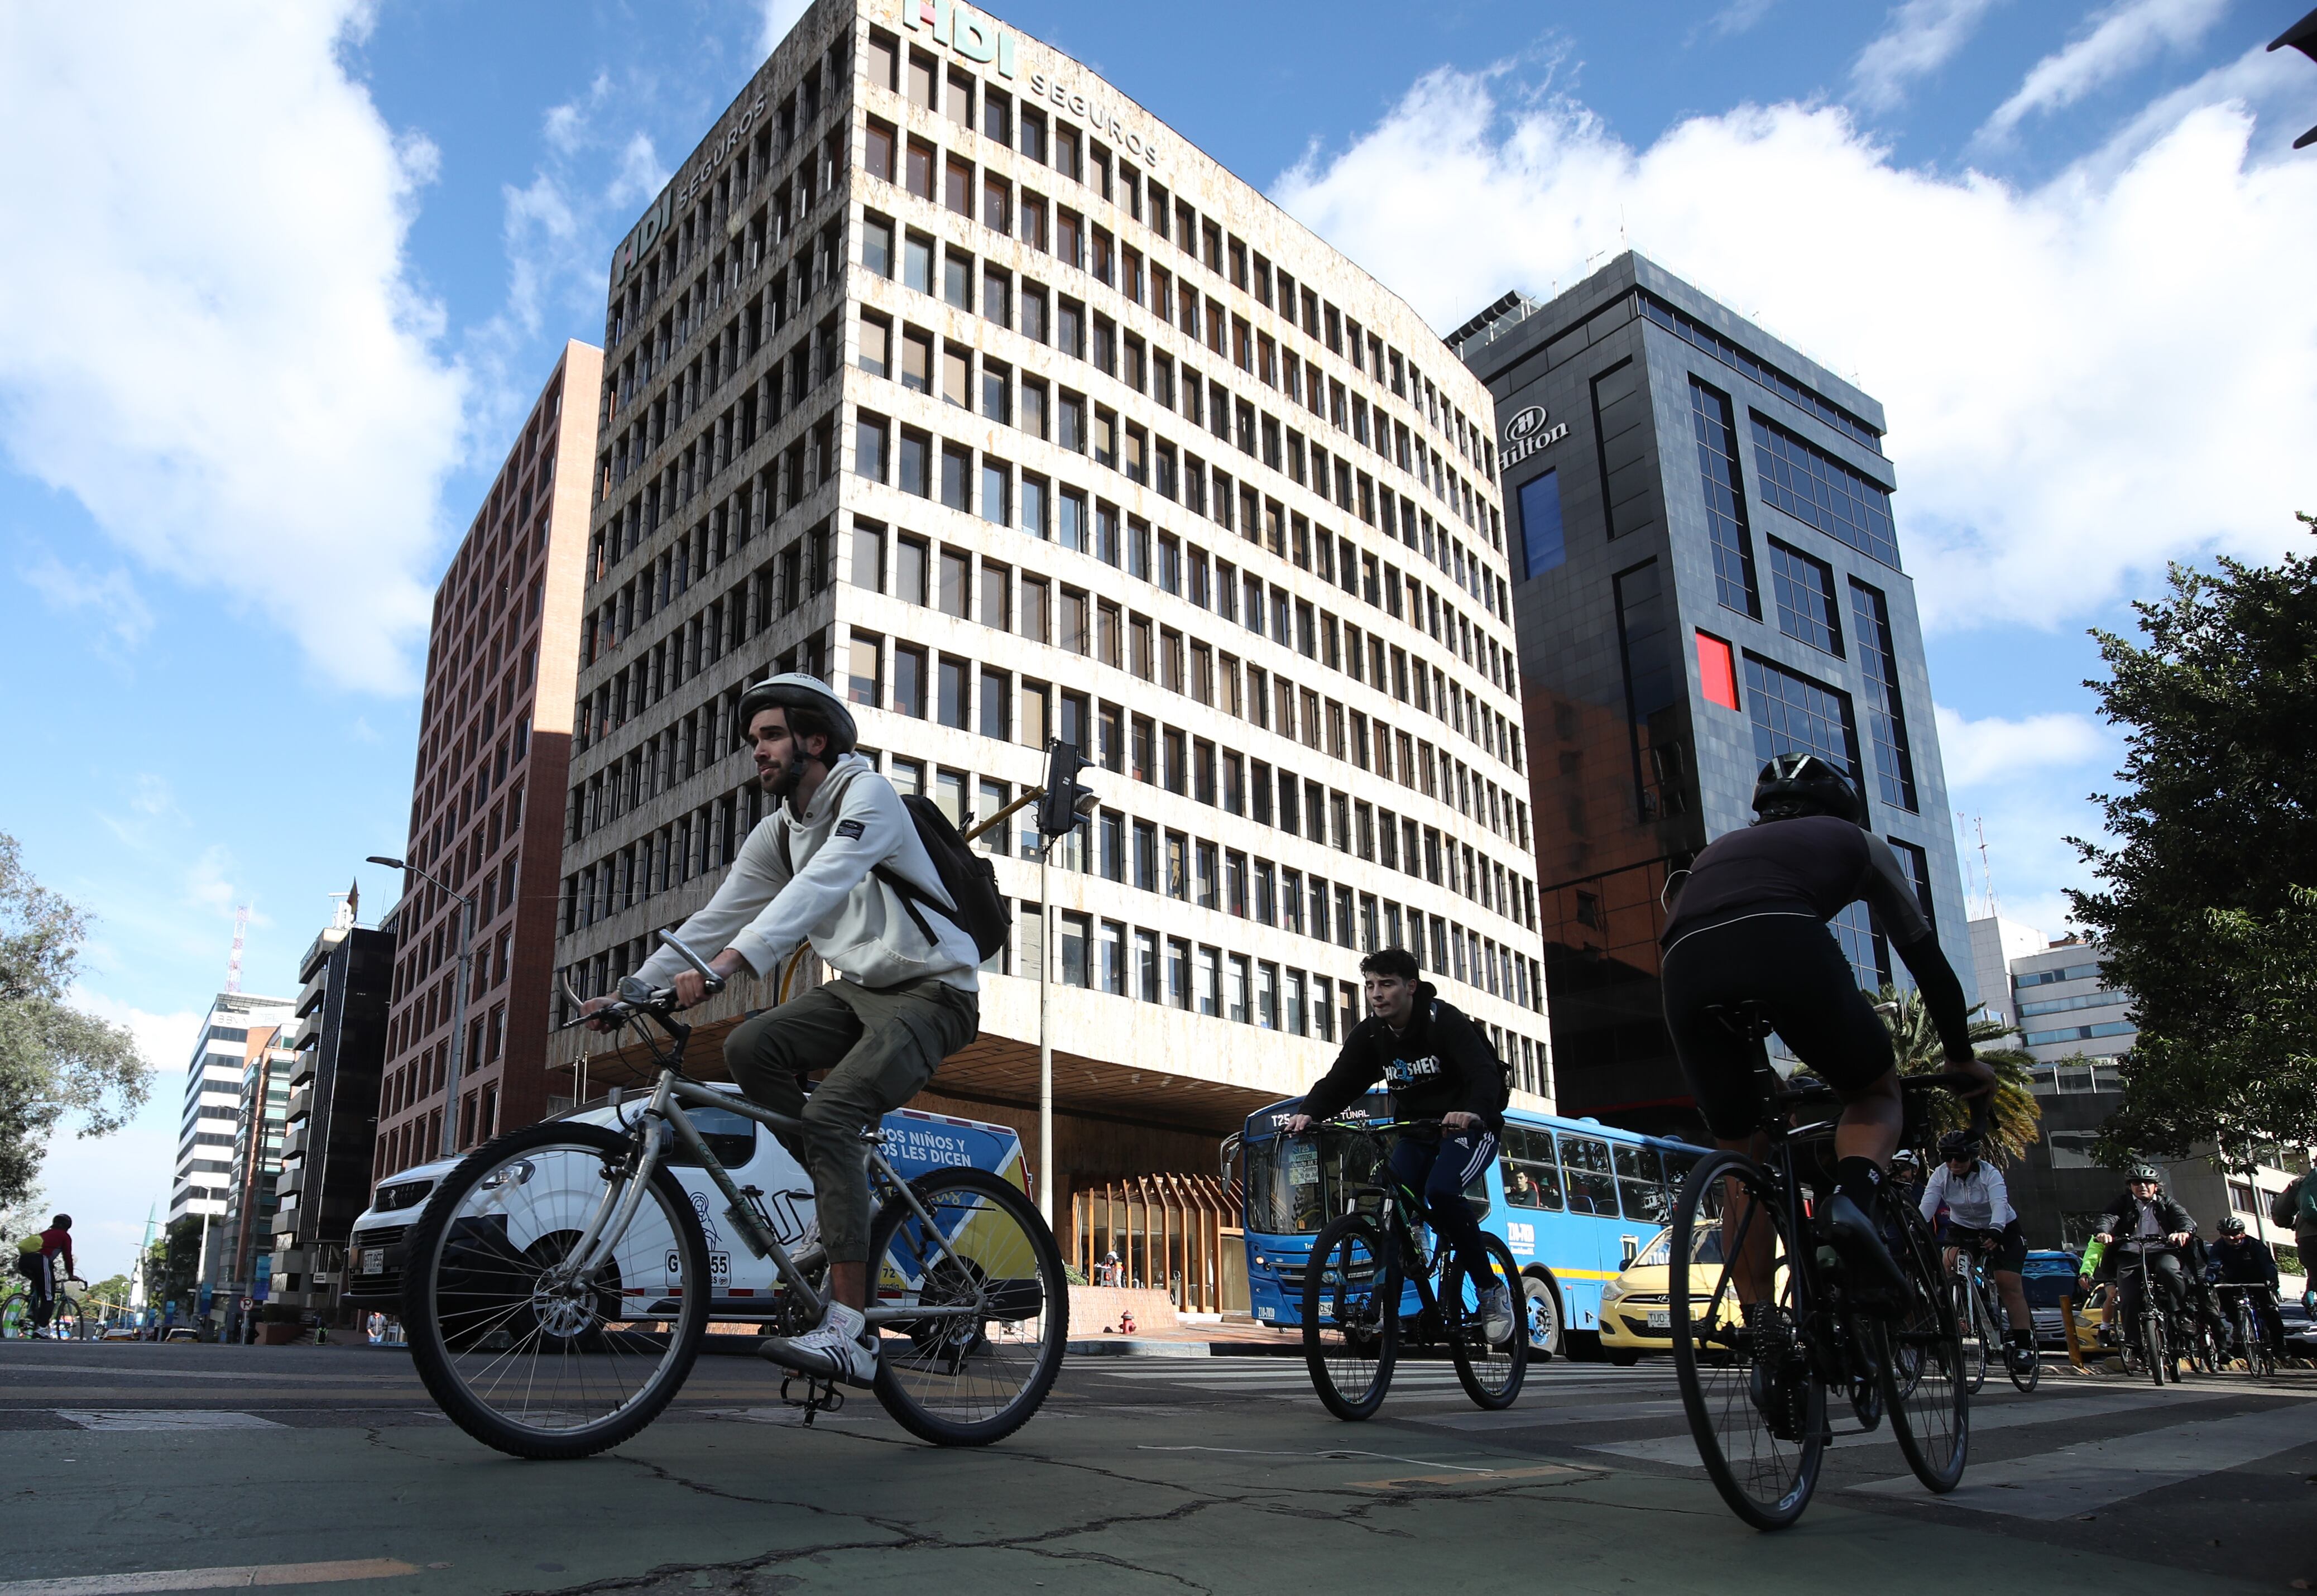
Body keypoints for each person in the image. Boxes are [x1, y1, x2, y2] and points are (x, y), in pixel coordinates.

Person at [583, 674, 980, 1388]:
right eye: (753, 742)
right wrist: (633, 988)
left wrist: (730, 967)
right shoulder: (779, 832)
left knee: (830, 1113)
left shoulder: (869, 798)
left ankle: (853, 1334)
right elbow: (717, 915)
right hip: (861, 992)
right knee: (748, 1048)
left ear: (813, 740)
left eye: (769, 737)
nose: (756, 753)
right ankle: (841, 1200)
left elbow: (820, 885)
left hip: (934, 993)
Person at [1659, 755, 1993, 1305]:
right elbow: (1927, 964)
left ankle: (1762, 1324)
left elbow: (1721, 964)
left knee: (1742, 1154)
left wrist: (1761, 1079)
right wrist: (1958, 1056)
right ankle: (1850, 1203)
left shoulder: (1710, 856)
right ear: (1841, 808)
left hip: (1681, 963)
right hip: (1784, 937)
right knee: (1873, 1096)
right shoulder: (1858, 842)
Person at [1282, 947, 1515, 1346]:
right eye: (1370, 985)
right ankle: (1383, 1299)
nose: (1376, 994)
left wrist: (1471, 1111)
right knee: (1387, 1195)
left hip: (1471, 1127)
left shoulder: (1443, 1022)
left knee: (1441, 1190)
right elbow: (1341, 1081)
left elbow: (1483, 1073)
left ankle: (1490, 1290)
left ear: (1411, 986)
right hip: (1419, 1130)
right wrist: (1309, 1113)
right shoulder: (1372, 1034)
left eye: (1386, 984)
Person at [1919, 1132, 2036, 1373]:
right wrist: (1914, 1228)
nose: (1954, 1163)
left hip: (2002, 1228)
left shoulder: (1989, 1174)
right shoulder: (1941, 1174)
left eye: (1960, 1157)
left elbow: (1999, 1203)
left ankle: (2024, 1348)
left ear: (1973, 1156)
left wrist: (1996, 1230)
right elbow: (1927, 1205)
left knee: (2008, 1285)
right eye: (1948, 1157)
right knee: (1949, 1262)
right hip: (1963, 1229)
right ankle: (1955, 1302)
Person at [2093, 1166, 2217, 1354]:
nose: (2142, 1186)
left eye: (2147, 1183)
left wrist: (2183, 1232)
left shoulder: (2167, 1203)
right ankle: (2134, 1345)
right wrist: (2103, 1232)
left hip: (2163, 1251)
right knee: (2128, 1296)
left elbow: (2185, 1219)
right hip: (2131, 1253)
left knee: (2169, 1271)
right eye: (2136, 1183)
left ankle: (2183, 1315)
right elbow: (2108, 1217)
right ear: (2130, 1186)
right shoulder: (2123, 1203)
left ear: (2155, 1186)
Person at [2209, 1216, 2287, 1362]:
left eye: (2235, 1233)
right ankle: (2237, 1325)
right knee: (2222, 1292)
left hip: (2257, 1279)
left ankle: (2280, 1345)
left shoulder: (2255, 1245)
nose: (2231, 1237)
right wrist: (2209, 1280)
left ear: (2243, 1233)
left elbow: (2268, 1264)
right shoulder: (2219, 1247)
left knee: (2270, 1310)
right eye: (2226, 1233)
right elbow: (2214, 1264)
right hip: (2233, 1280)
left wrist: (2272, 1280)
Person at [21, 1215, 74, 1339]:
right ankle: (41, 1328)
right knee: (49, 1297)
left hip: (24, 1261)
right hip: (40, 1260)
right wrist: (71, 1274)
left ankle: (32, 1311)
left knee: (38, 1285)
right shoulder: (64, 1236)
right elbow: (67, 1257)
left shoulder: (45, 1233)